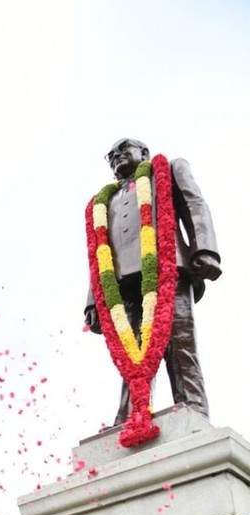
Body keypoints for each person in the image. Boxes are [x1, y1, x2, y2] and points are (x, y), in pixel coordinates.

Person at [84, 137, 222, 425]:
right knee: (129, 354)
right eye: (110, 155)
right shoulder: (104, 200)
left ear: (143, 152)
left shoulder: (168, 170)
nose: (116, 156)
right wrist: (94, 300)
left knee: (179, 344)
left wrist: (205, 249)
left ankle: (192, 406)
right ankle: (130, 415)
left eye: (123, 149)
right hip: (122, 285)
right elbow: (99, 250)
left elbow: (195, 205)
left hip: (168, 270)